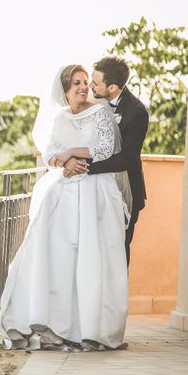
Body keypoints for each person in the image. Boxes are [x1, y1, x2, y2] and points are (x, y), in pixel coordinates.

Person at [0, 64, 132, 351]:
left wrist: (72, 153)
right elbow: (50, 152)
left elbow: (106, 149)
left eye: (85, 82)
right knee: (61, 258)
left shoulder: (102, 112)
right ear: (65, 90)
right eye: (76, 83)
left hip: (96, 192)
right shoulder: (58, 118)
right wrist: (64, 161)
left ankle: (95, 328)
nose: (83, 87)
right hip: (64, 194)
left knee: (96, 257)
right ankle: (56, 325)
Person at [64, 56, 148, 265]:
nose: (89, 86)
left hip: (124, 190)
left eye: (95, 83)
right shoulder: (91, 104)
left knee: (117, 252)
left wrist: (84, 167)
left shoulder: (136, 112)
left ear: (112, 87)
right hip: (91, 191)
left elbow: (127, 159)